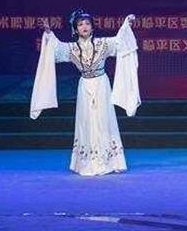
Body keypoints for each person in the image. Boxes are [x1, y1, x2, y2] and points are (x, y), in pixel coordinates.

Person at [30, 10, 141, 176]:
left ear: (92, 27)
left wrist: (126, 25)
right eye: (80, 24)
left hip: (101, 85)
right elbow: (55, 48)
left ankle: (109, 161)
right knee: (86, 121)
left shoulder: (103, 44)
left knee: (103, 119)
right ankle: (86, 162)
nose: (84, 27)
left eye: (87, 24)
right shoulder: (72, 48)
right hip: (85, 86)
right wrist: (48, 33)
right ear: (75, 29)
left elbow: (120, 42)